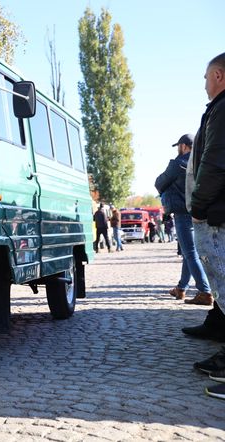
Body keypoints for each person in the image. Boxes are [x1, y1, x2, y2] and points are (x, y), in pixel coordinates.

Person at [181, 52, 225, 400]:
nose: (205, 83)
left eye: (207, 77)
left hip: (215, 213)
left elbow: (214, 163)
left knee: (222, 280)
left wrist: (198, 205)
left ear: (220, 76)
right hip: (215, 211)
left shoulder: (222, 109)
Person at [154, 133, 212, 304]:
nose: (179, 149)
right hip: (200, 212)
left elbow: (159, 183)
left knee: (190, 253)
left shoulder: (178, 163)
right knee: (190, 252)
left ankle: (205, 292)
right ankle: (181, 288)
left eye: (179, 146)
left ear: (184, 146)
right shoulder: (203, 162)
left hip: (182, 212)